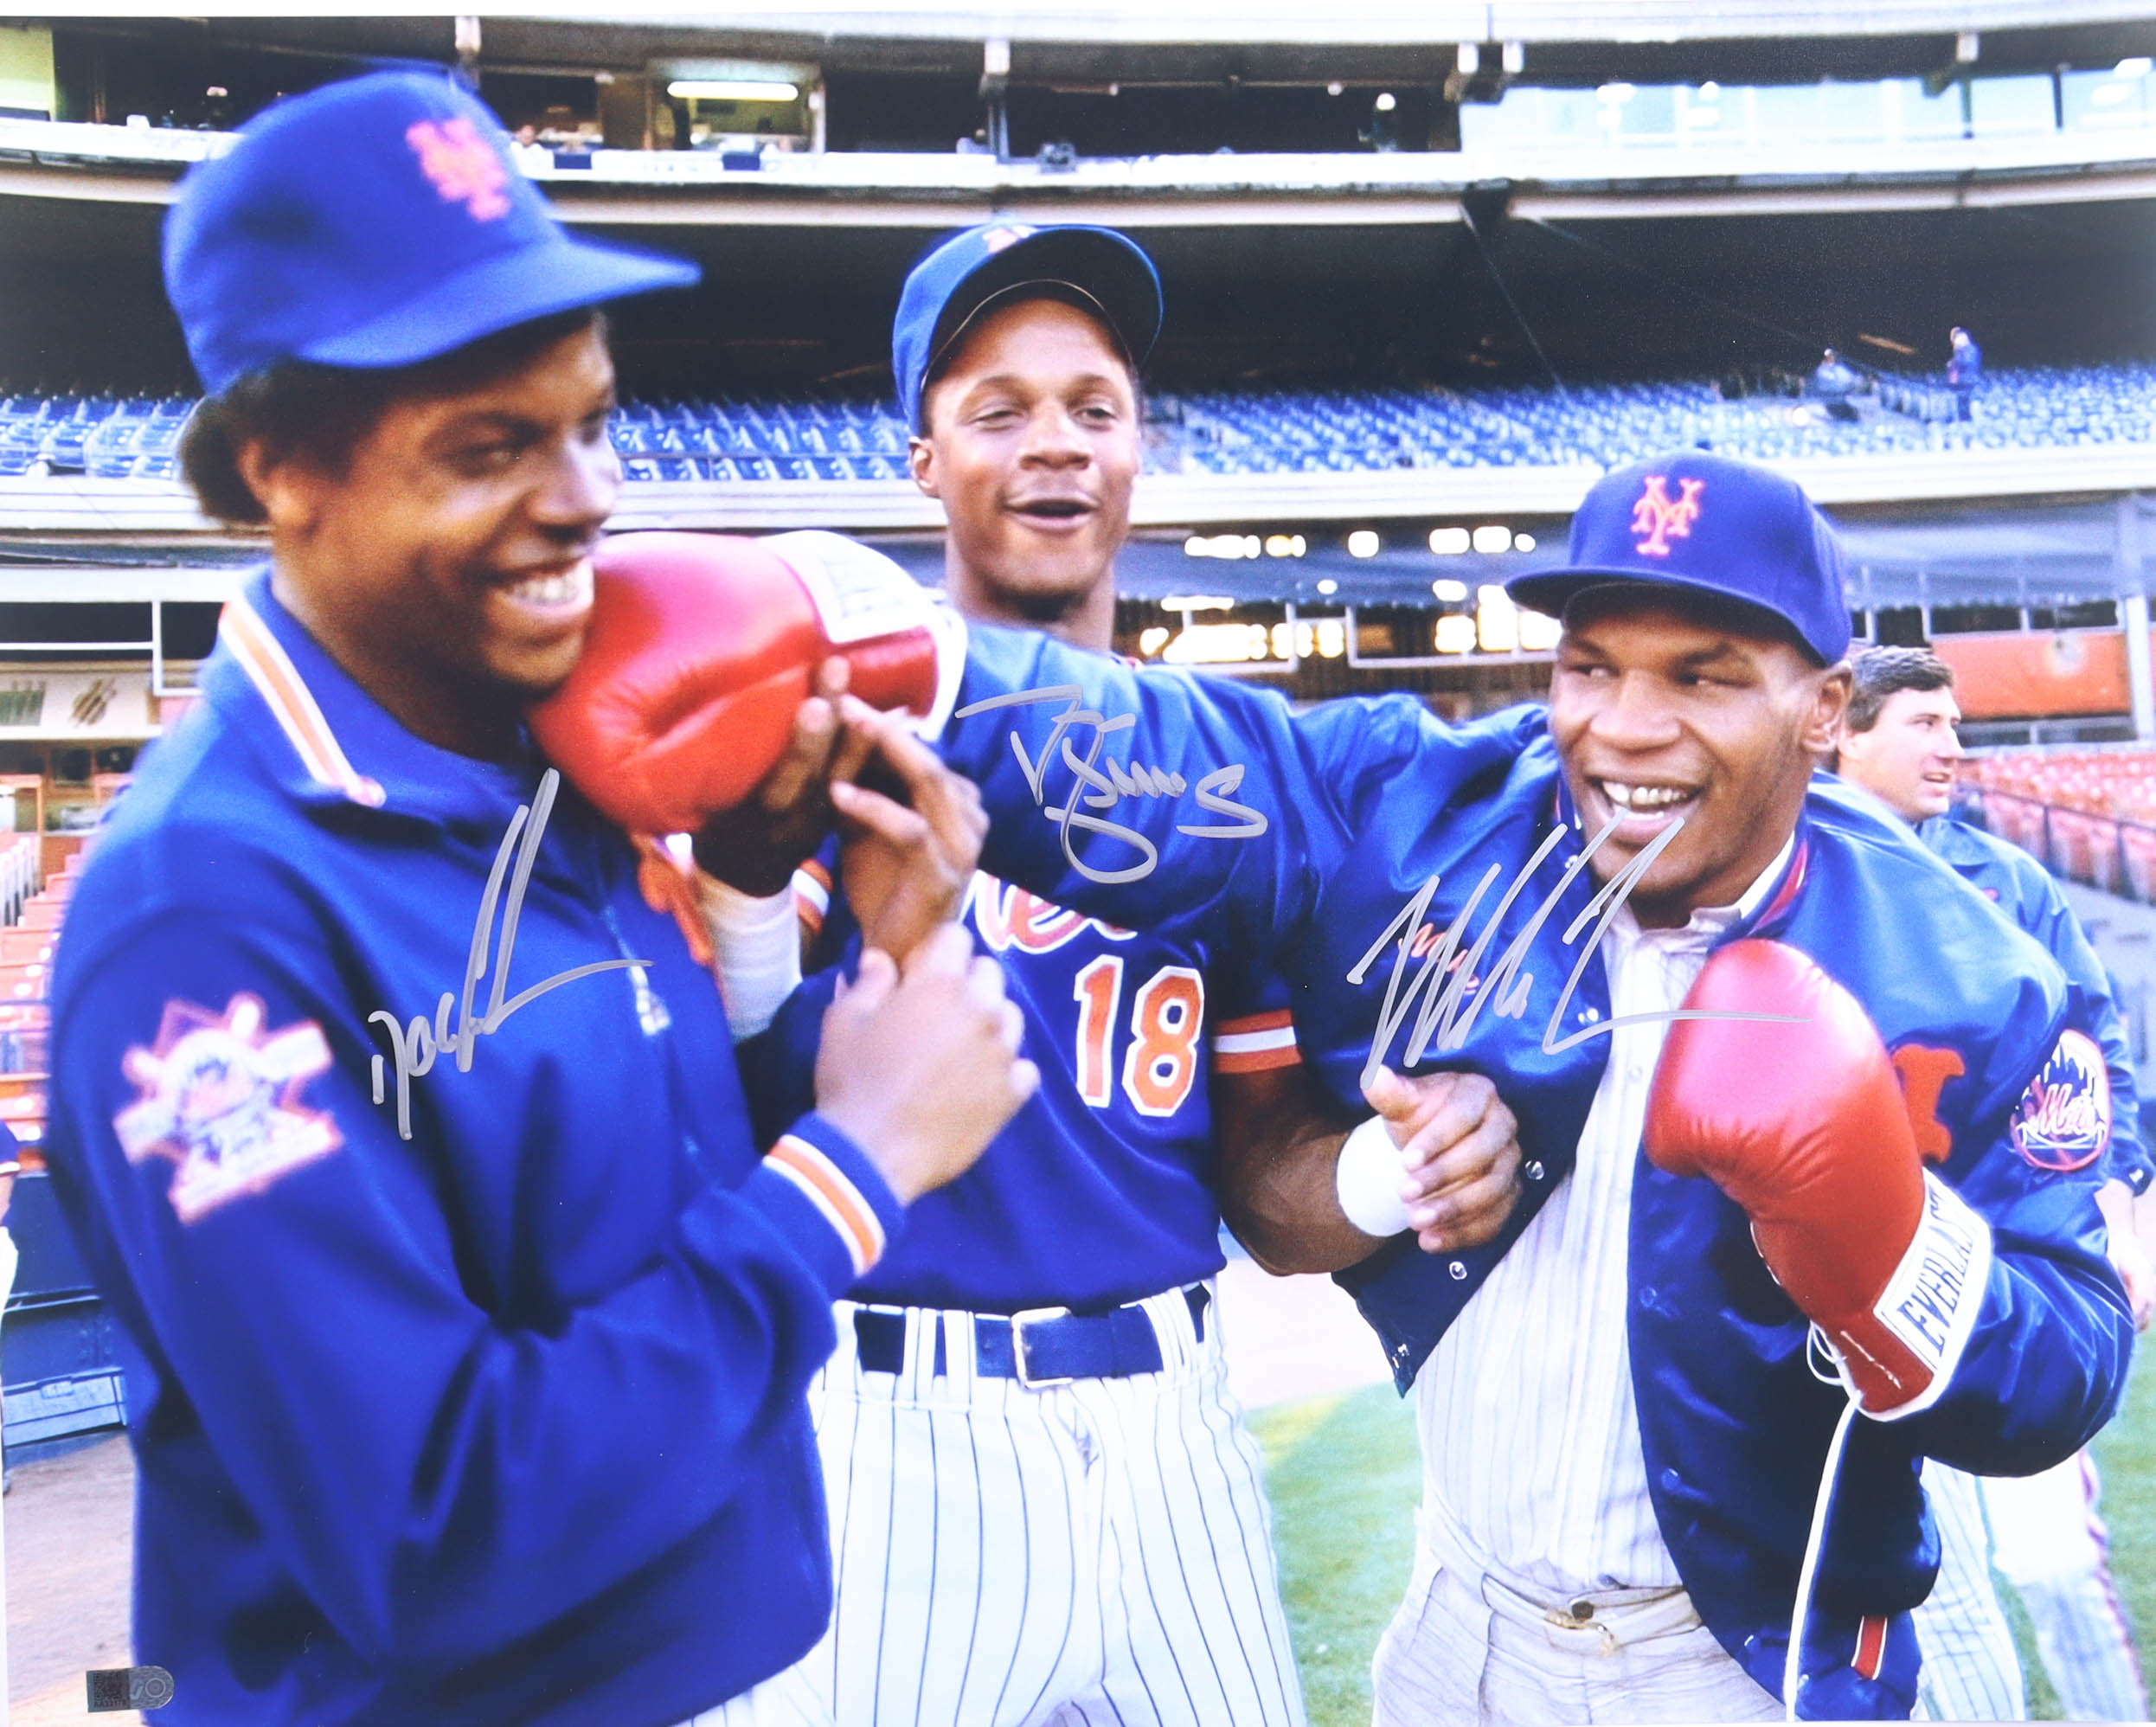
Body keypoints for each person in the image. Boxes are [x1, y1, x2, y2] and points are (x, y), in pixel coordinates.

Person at [547, 449, 2139, 1722]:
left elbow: (2067, 1364)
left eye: (1703, 676)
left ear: (1824, 706)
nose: (1624, 728)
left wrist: (1884, 1253)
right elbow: (1195, 755)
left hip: (1742, 1659)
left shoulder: (1972, 972)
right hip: (1461, 1628)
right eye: (1589, 665)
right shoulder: (1435, 808)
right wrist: (893, 656)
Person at [42, 71, 1035, 1727]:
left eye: (589, 422)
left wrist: (766, 907)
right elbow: (428, 1530)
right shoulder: (195, 923)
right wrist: (852, 1171)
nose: (582, 496)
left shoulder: (542, 754)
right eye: (491, 445)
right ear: (280, 469)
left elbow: (625, 1208)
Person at [722, 221, 1521, 1727]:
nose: (1056, 444)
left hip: (1175, 1432)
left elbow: (1264, 1192)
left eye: (1094, 407)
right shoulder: (838, 741)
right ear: (921, 460)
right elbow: (714, 1112)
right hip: (894, 1431)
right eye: (998, 410)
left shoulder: (1228, 785)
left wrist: (1392, 1170)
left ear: (1141, 450)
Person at [1835, 644, 2153, 1724]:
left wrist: (2117, 1209)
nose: (1951, 746)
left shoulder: (2007, 879)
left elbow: (2092, 1047)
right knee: (1927, 1592)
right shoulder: (1787, 872)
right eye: (1922, 723)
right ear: (1843, 731)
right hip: (1863, 1283)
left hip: (2014, 1265)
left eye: (1954, 723)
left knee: (2054, 1565)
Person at [1812, 348, 1860, 422]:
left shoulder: (1840, 368)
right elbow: (1828, 382)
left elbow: (1850, 379)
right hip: (1828, 400)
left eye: (1832, 356)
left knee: (1853, 414)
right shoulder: (1821, 370)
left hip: (1841, 399)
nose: (1830, 358)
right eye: (1828, 356)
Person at [1949, 326, 1984, 422]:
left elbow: (1968, 363)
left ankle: (1966, 417)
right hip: (1962, 379)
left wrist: (1956, 363)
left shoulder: (1970, 350)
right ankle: (1963, 416)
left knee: (1965, 397)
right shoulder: (1962, 350)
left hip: (1968, 378)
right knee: (1961, 398)